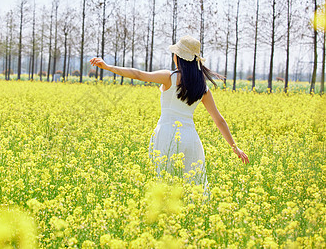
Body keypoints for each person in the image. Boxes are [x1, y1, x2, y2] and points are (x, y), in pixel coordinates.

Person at [89, 35, 249, 188]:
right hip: (191, 139)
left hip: (167, 135)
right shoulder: (203, 88)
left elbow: (138, 74)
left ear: (178, 57)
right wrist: (235, 148)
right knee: (192, 186)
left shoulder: (169, 77)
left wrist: (108, 67)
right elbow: (219, 120)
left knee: (164, 185)